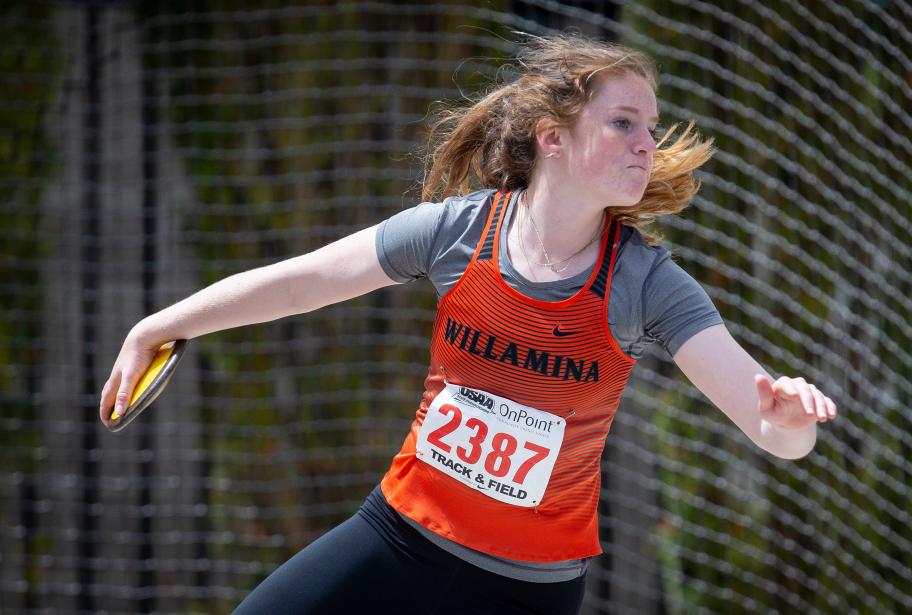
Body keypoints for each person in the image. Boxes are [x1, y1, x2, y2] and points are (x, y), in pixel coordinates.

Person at [99, 33, 838, 615]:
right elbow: (301, 281)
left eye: (648, 125)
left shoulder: (647, 283)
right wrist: (158, 325)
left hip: (525, 592)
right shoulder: (454, 233)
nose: (646, 141)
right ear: (552, 136)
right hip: (394, 538)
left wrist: (786, 417)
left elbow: (773, 432)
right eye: (622, 123)